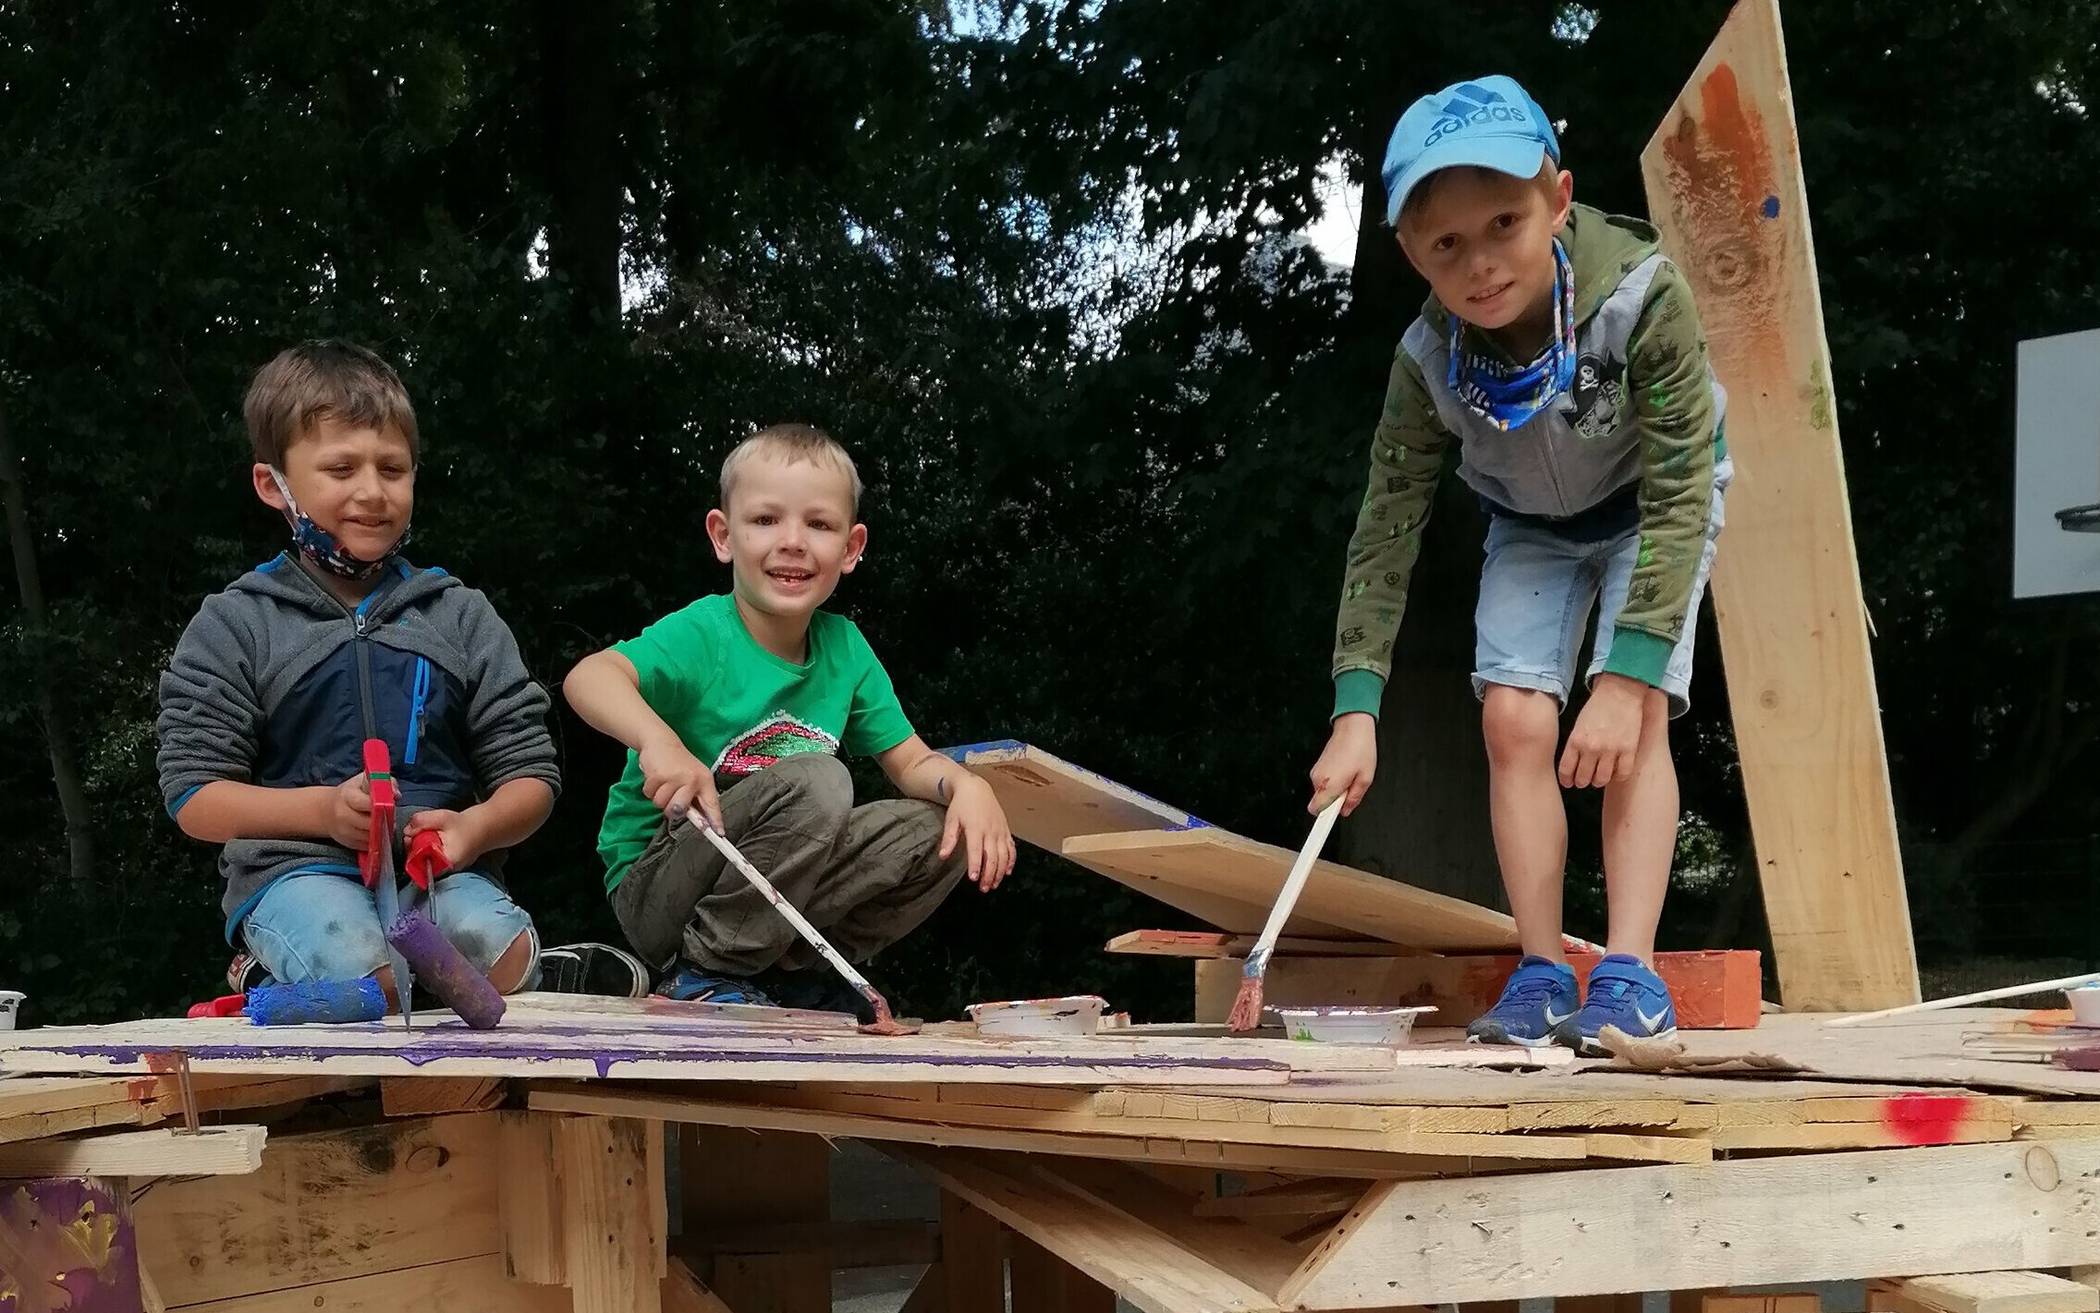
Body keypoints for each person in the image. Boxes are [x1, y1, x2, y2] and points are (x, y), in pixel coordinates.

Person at [1307, 77, 1732, 1054]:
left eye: (1504, 221)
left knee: (1635, 724)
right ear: (1410, 251)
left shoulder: (1640, 297)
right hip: (1531, 521)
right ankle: (1542, 970)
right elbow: (1386, 526)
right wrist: (1355, 708)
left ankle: (1629, 972)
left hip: (1651, 507)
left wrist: (1626, 678)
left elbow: (1677, 488)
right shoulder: (1425, 361)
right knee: (1513, 716)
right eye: (1445, 243)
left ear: (1559, 199)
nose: (1480, 262)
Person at [564, 422, 1017, 1014]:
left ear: (851, 548)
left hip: (773, 897)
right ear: (723, 536)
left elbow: (909, 762)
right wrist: (659, 742)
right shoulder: (705, 633)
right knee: (822, 779)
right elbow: (587, 677)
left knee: (941, 831)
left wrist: (967, 783)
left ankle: (792, 974)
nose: (793, 542)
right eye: (766, 520)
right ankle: (708, 970)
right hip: (661, 887)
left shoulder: (846, 649)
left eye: (819, 524)